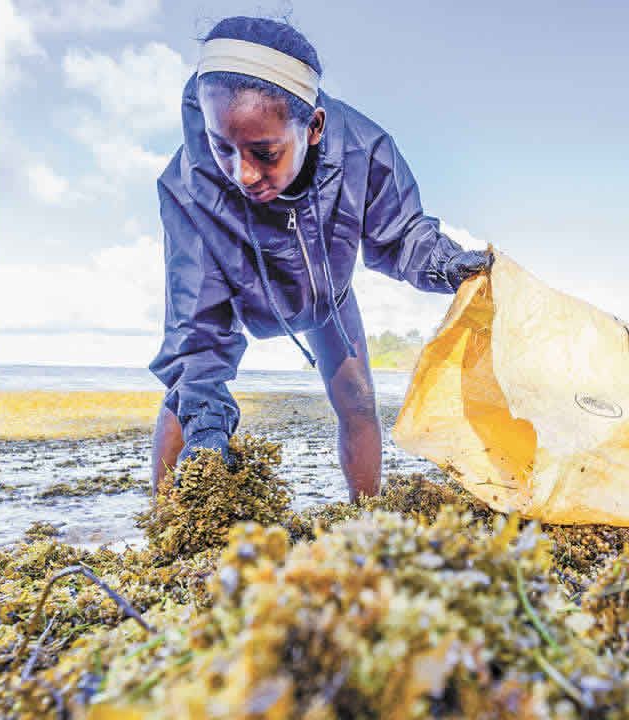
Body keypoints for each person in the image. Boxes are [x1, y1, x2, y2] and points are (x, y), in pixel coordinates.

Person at [149, 17, 491, 502]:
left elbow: (403, 235)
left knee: (359, 400)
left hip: (327, 295)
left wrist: (450, 264)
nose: (242, 174)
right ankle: (164, 524)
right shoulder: (188, 188)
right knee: (187, 397)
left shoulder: (364, 150)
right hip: (232, 292)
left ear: (313, 128)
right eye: (222, 147)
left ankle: (364, 517)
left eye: (265, 153)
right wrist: (207, 428)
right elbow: (195, 322)